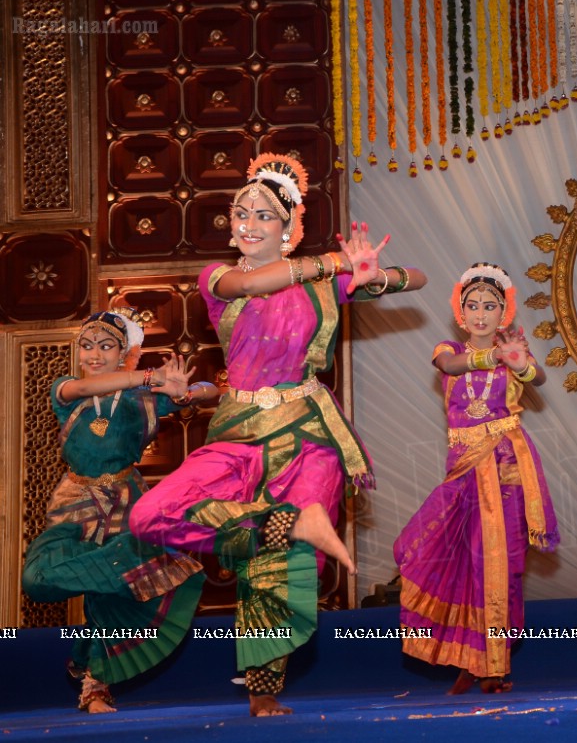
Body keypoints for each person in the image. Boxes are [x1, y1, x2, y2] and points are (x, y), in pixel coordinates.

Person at [129, 153, 426, 716]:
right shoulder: (221, 278)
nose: (246, 222)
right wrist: (332, 262)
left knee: (287, 564)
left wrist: (371, 274)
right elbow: (258, 281)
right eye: (240, 212)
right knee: (151, 516)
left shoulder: (319, 287)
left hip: (307, 434)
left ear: (289, 229)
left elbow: (418, 278)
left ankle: (264, 690)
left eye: (263, 215)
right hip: (238, 435)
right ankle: (280, 524)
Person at [22, 309, 216, 712]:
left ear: (124, 352)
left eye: (106, 347)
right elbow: (82, 390)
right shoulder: (67, 389)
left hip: (128, 503)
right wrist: (150, 377)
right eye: (87, 346)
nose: (94, 355)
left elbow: (210, 388)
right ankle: (83, 650)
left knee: (107, 591)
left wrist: (184, 393)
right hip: (73, 503)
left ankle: (95, 684)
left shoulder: (142, 401)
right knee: (37, 579)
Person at [395, 263, 558, 694]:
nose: (481, 314)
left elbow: (537, 378)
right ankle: (469, 657)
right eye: (473, 306)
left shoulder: (513, 348)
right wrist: (495, 357)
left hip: (505, 470)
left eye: (491, 305)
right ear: (459, 312)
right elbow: (450, 367)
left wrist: (521, 362)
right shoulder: (447, 348)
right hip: (464, 471)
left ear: (504, 312)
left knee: (500, 567)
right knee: (458, 561)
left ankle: (495, 665)